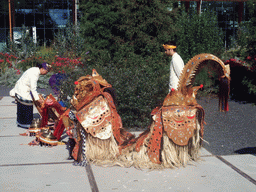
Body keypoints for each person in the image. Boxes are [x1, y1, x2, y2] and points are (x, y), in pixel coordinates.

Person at [10, 62, 51, 128]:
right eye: (47, 71)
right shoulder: (34, 74)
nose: (47, 73)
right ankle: (26, 124)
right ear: (43, 69)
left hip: (21, 88)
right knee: (28, 104)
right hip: (22, 90)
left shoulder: (35, 70)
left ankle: (20, 122)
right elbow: (33, 88)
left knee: (22, 107)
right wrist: (38, 100)